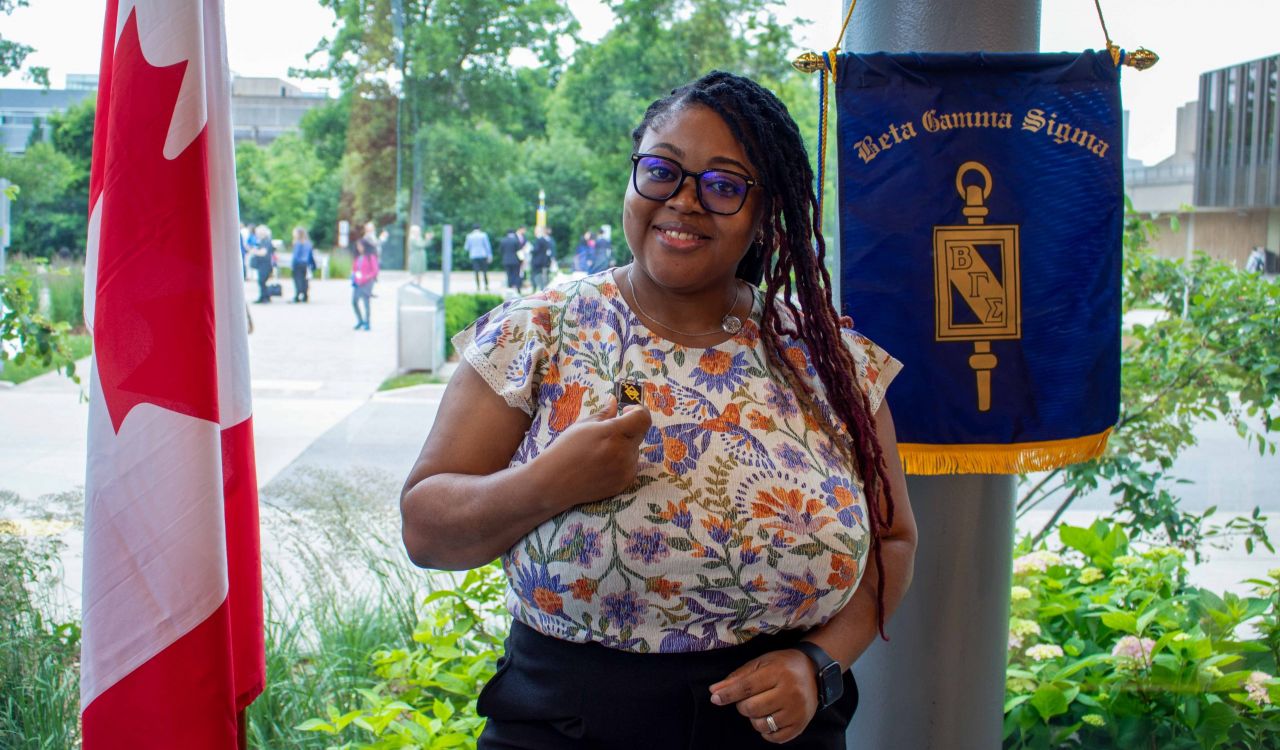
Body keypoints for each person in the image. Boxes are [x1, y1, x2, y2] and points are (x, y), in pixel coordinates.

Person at [401, 71, 917, 748]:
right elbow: (425, 530)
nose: (685, 201)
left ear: (765, 213)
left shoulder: (829, 360)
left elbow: (892, 542)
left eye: (724, 185)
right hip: (567, 728)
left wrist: (817, 663)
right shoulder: (541, 332)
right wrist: (552, 481)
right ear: (633, 176)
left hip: (775, 734)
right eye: (662, 170)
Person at [351, 238, 379, 330]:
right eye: (357, 246)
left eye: (360, 246)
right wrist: (354, 276)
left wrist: (367, 277)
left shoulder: (370, 256)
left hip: (367, 282)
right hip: (358, 281)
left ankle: (367, 322)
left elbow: (375, 271)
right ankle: (360, 320)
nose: (359, 248)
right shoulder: (357, 257)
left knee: (366, 302)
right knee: (354, 301)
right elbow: (355, 269)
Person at [290, 227, 317, 302]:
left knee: (297, 280)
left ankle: (297, 296)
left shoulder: (297, 243)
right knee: (305, 280)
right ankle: (305, 295)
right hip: (306, 264)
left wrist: (292, 265)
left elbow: (295, 256)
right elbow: (311, 255)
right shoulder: (308, 243)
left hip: (298, 264)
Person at [250, 225, 275, 303]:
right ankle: (264, 297)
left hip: (265, 265)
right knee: (262, 282)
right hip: (263, 265)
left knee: (261, 281)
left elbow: (263, 253)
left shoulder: (265, 241)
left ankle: (264, 297)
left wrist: (254, 251)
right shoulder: (264, 241)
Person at [466, 224, 493, 290]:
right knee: (485, 271)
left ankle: (478, 286)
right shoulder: (483, 235)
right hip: (483, 255)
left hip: (474, 255)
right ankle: (486, 286)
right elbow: (487, 246)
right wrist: (490, 255)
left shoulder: (469, 236)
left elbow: (466, 247)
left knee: (476, 272)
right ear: (479, 228)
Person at [499, 227, 525, 293]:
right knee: (516, 274)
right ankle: (518, 288)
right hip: (515, 261)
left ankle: (510, 288)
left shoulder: (503, 240)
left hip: (506, 261)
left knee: (509, 274)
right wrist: (522, 260)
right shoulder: (516, 241)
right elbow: (519, 251)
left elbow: (501, 251)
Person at [530, 226, 555, 291]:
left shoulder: (539, 240)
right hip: (543, 261)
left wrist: (530, 250)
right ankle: (542, 288)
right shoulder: (545, 240)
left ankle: (537, 288)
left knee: (536, 275)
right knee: (542, 275)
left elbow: (536, 250)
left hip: (537, 261)